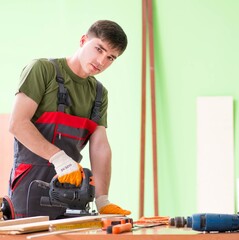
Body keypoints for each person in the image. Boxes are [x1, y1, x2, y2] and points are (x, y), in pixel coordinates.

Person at [8, 19, 131, 218]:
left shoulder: (99, 93)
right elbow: (17, 124)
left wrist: (102, 199)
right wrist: (60, 159)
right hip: (29, 188)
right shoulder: (42, 70)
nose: (101, 62)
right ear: (83, 40)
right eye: (99, 49)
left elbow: (100, 146)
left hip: (70, 191)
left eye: (110, 57)